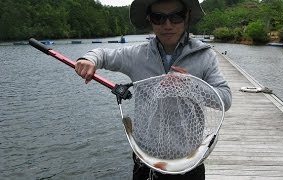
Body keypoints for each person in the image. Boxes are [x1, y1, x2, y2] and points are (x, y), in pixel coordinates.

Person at [75, 0, 232, 179]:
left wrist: (190, 86)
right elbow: (102, 54)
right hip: (145, 161)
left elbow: (225, 99)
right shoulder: (137, 55)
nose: (167, 25)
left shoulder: (205, 56)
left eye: (175, 17)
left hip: (189, 161)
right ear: (150, 19)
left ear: (186, 16)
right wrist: (88, 59)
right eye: (159, 18)